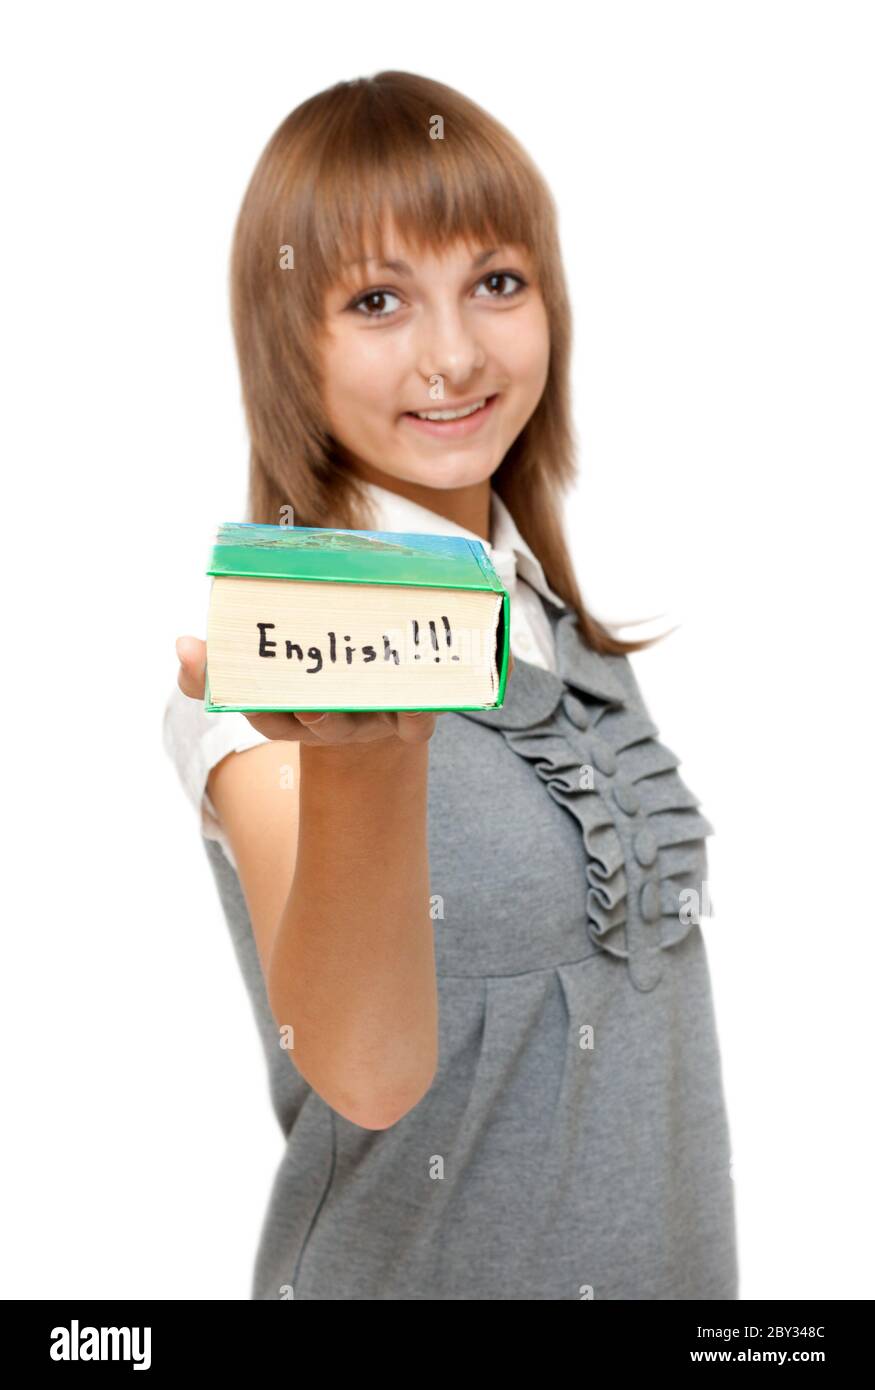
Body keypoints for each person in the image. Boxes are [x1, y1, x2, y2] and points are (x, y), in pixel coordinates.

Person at [162, 70, 738, 1300]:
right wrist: (369, 757)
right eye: (376, 299)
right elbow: (363, 1069)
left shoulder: (554, 624)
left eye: (495, 281)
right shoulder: (266, 676)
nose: (453, 353)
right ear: (287, 344)